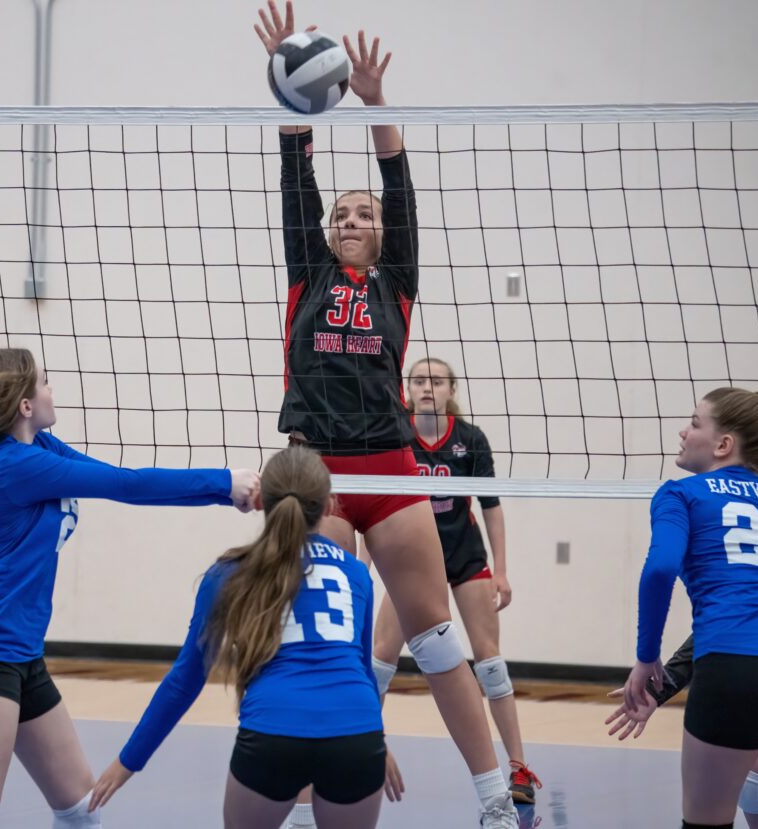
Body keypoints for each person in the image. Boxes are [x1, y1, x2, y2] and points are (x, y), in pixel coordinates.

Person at [255, 3, 517, 826]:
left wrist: (374, 105)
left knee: (436, 639)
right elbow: (297, 176)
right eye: (343, 216)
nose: (352, 221)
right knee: (324, 636)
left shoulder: (396, 280)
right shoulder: (310, 270)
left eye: (362, 215)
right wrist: (293, 98)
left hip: (389, 463)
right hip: (315, 471)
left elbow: (399, 186)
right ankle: (313, 774)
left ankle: (495, 797)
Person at [0, 347, 259, 829]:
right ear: (24, 405)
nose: (51, 390)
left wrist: (227, 495)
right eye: (44, 382)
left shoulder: (41, 449)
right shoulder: (14, 466)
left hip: (20, 655)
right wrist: (226, 482)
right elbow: (127, 485)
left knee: (81, 811)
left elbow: (124, 484)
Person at [87, 445, 385, 829]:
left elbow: (184, 681)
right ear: (330, 505)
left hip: (272, 734)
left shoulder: (228, 573)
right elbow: (361, 673)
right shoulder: (356, 574)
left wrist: (126, 763)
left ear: (260, 501)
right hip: (357, 736)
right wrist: (378, 743)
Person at [623, 388, 758, 828]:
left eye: (695, 422)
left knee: (707, 820)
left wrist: (647, 658)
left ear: (724, 445)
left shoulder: (680, 495)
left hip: (734, 667)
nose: (683, 432)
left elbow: (660, 570)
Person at [371, 357, 541, 804]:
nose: (428, 387)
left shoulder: (469, 439)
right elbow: (372, 505)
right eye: (419, 380)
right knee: (379, 661)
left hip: (463, 556)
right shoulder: (395, 433)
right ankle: (359, 749)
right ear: (408, 390)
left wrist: (500, 570)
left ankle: (519, 769)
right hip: (410, 559)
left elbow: (491, 506)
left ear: (451, 390)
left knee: (490, 665)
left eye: (437, 381)